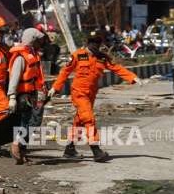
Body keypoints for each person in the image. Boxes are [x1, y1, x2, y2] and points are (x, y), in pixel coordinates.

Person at [48, 30, 142, 162]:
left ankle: (69, 149)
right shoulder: (79, 55)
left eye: (97, 42)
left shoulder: (102, 58)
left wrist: (132, 77)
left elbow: (117, 68)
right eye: (92, 42)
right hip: (79, 93)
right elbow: (65, 72)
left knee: (80, 121)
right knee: (88, 118)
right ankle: (96, 149)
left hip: (91, 94)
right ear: (87, 42)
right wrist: (55, 87)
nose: (95, 45)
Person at [8, 28, 48, 164]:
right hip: (24, 95)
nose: (40, 43)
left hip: (33, 93)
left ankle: (21, 151)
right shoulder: (20, 57)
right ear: (32, 40)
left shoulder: (33, 54)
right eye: (38, 41)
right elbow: (14, 78)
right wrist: (12, 97)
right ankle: (16, 144)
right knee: (30, 121)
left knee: (29, 122)